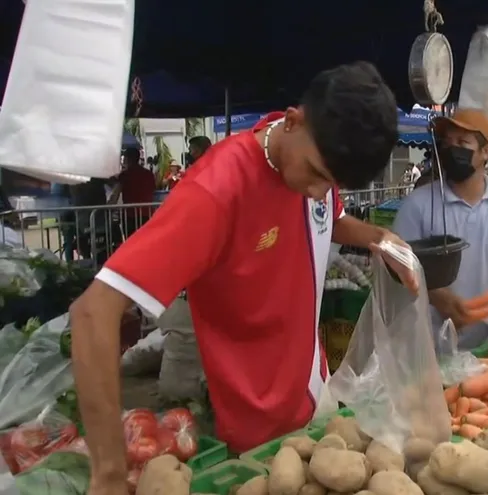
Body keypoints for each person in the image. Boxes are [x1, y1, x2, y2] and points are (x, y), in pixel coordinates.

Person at [70, 62, 417, 495]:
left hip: (317, 398)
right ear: (293, 121)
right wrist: (107, 473)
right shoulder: (214, 194)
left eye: (328, 182)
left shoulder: (309, 151)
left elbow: (330, 218)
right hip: (257, 435)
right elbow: (91, 313)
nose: (316, 191)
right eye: (315, 175)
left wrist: (377, 237)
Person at [392, 109, 488, 360]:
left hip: (485, 345)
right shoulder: (417, 205)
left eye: (462, 143)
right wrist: (438, 297)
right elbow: (398, 268)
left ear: (487, 152)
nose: (451, 149)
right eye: (447, 142)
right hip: (426, 345)